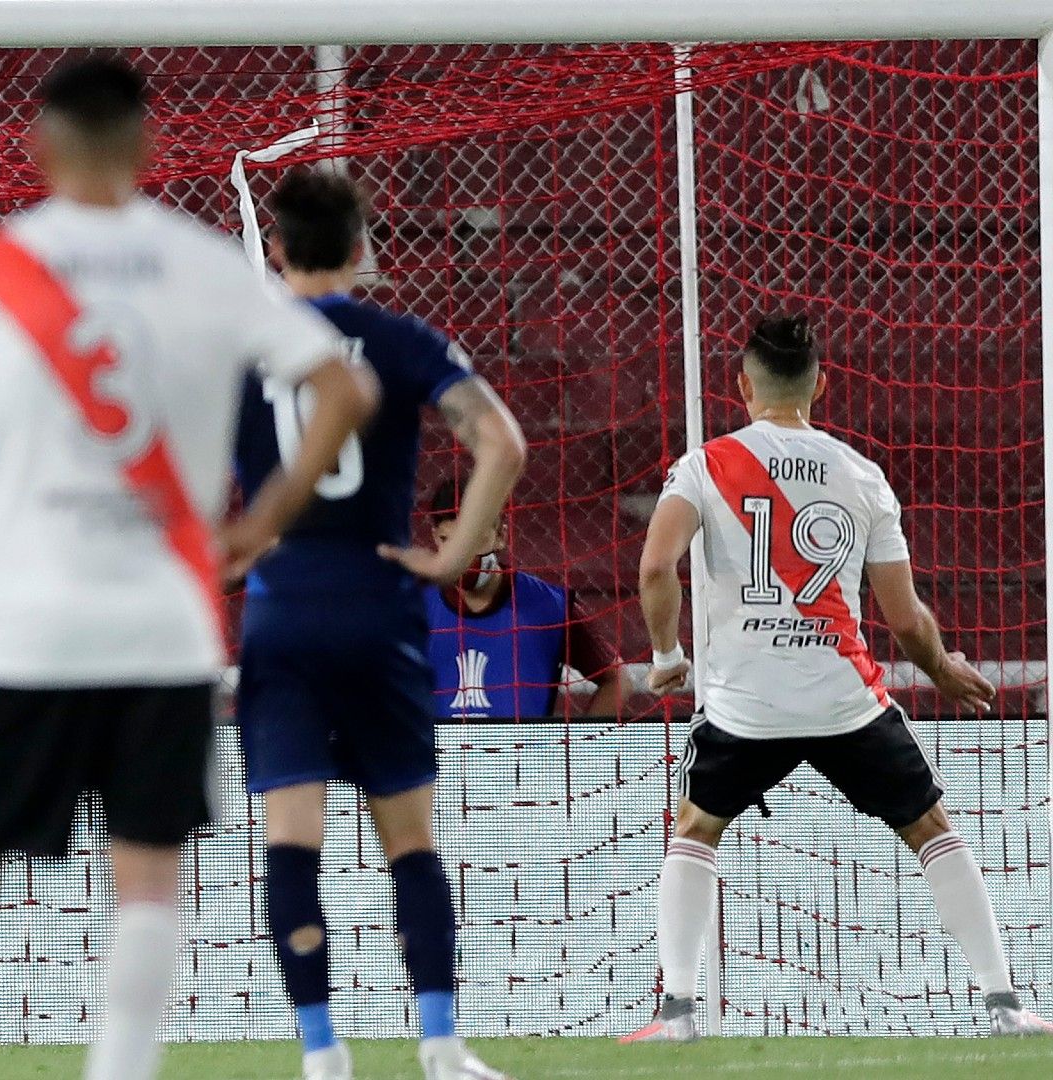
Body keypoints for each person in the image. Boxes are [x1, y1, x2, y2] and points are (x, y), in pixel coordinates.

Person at [0, 58, 374, 1080]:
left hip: (19, 629)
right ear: (149, 147)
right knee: (146, 884)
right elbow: (342, 388)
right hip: (162, 630)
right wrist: (259, 525)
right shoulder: (208, 263)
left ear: (40, 145)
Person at [626, 315, 1050, 1041]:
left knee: (694, 830)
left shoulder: (705, 464)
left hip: (745, 708)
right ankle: (1005, 1004)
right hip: (843, 700)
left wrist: (666, 655)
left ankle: (679, 1014)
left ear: (740, 385)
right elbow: (906, 617)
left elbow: (656, 567)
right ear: (823, 383)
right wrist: (945, 670)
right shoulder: (862, 475)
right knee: (932, 828)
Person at [233, 168, 525, 1080]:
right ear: (363, 248)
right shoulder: (403, 341)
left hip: (281, 610)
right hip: (380, 603)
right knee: (409, 839)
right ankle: (439, 1043)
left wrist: (230, 545)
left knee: (292, 837)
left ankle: (322, 1053)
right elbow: (503, 445)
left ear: (273, 249)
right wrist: (449, 557)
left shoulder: (239, 345)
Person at [418, 478, 625, 719]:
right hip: (433, 755)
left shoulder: (550, 605)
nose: (462, 556)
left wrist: (580, 750)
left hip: (522, 755)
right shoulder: (413, 606)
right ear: (435, 538)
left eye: (475, 539)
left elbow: (618, 680)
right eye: (449, 541)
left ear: (501, 536)